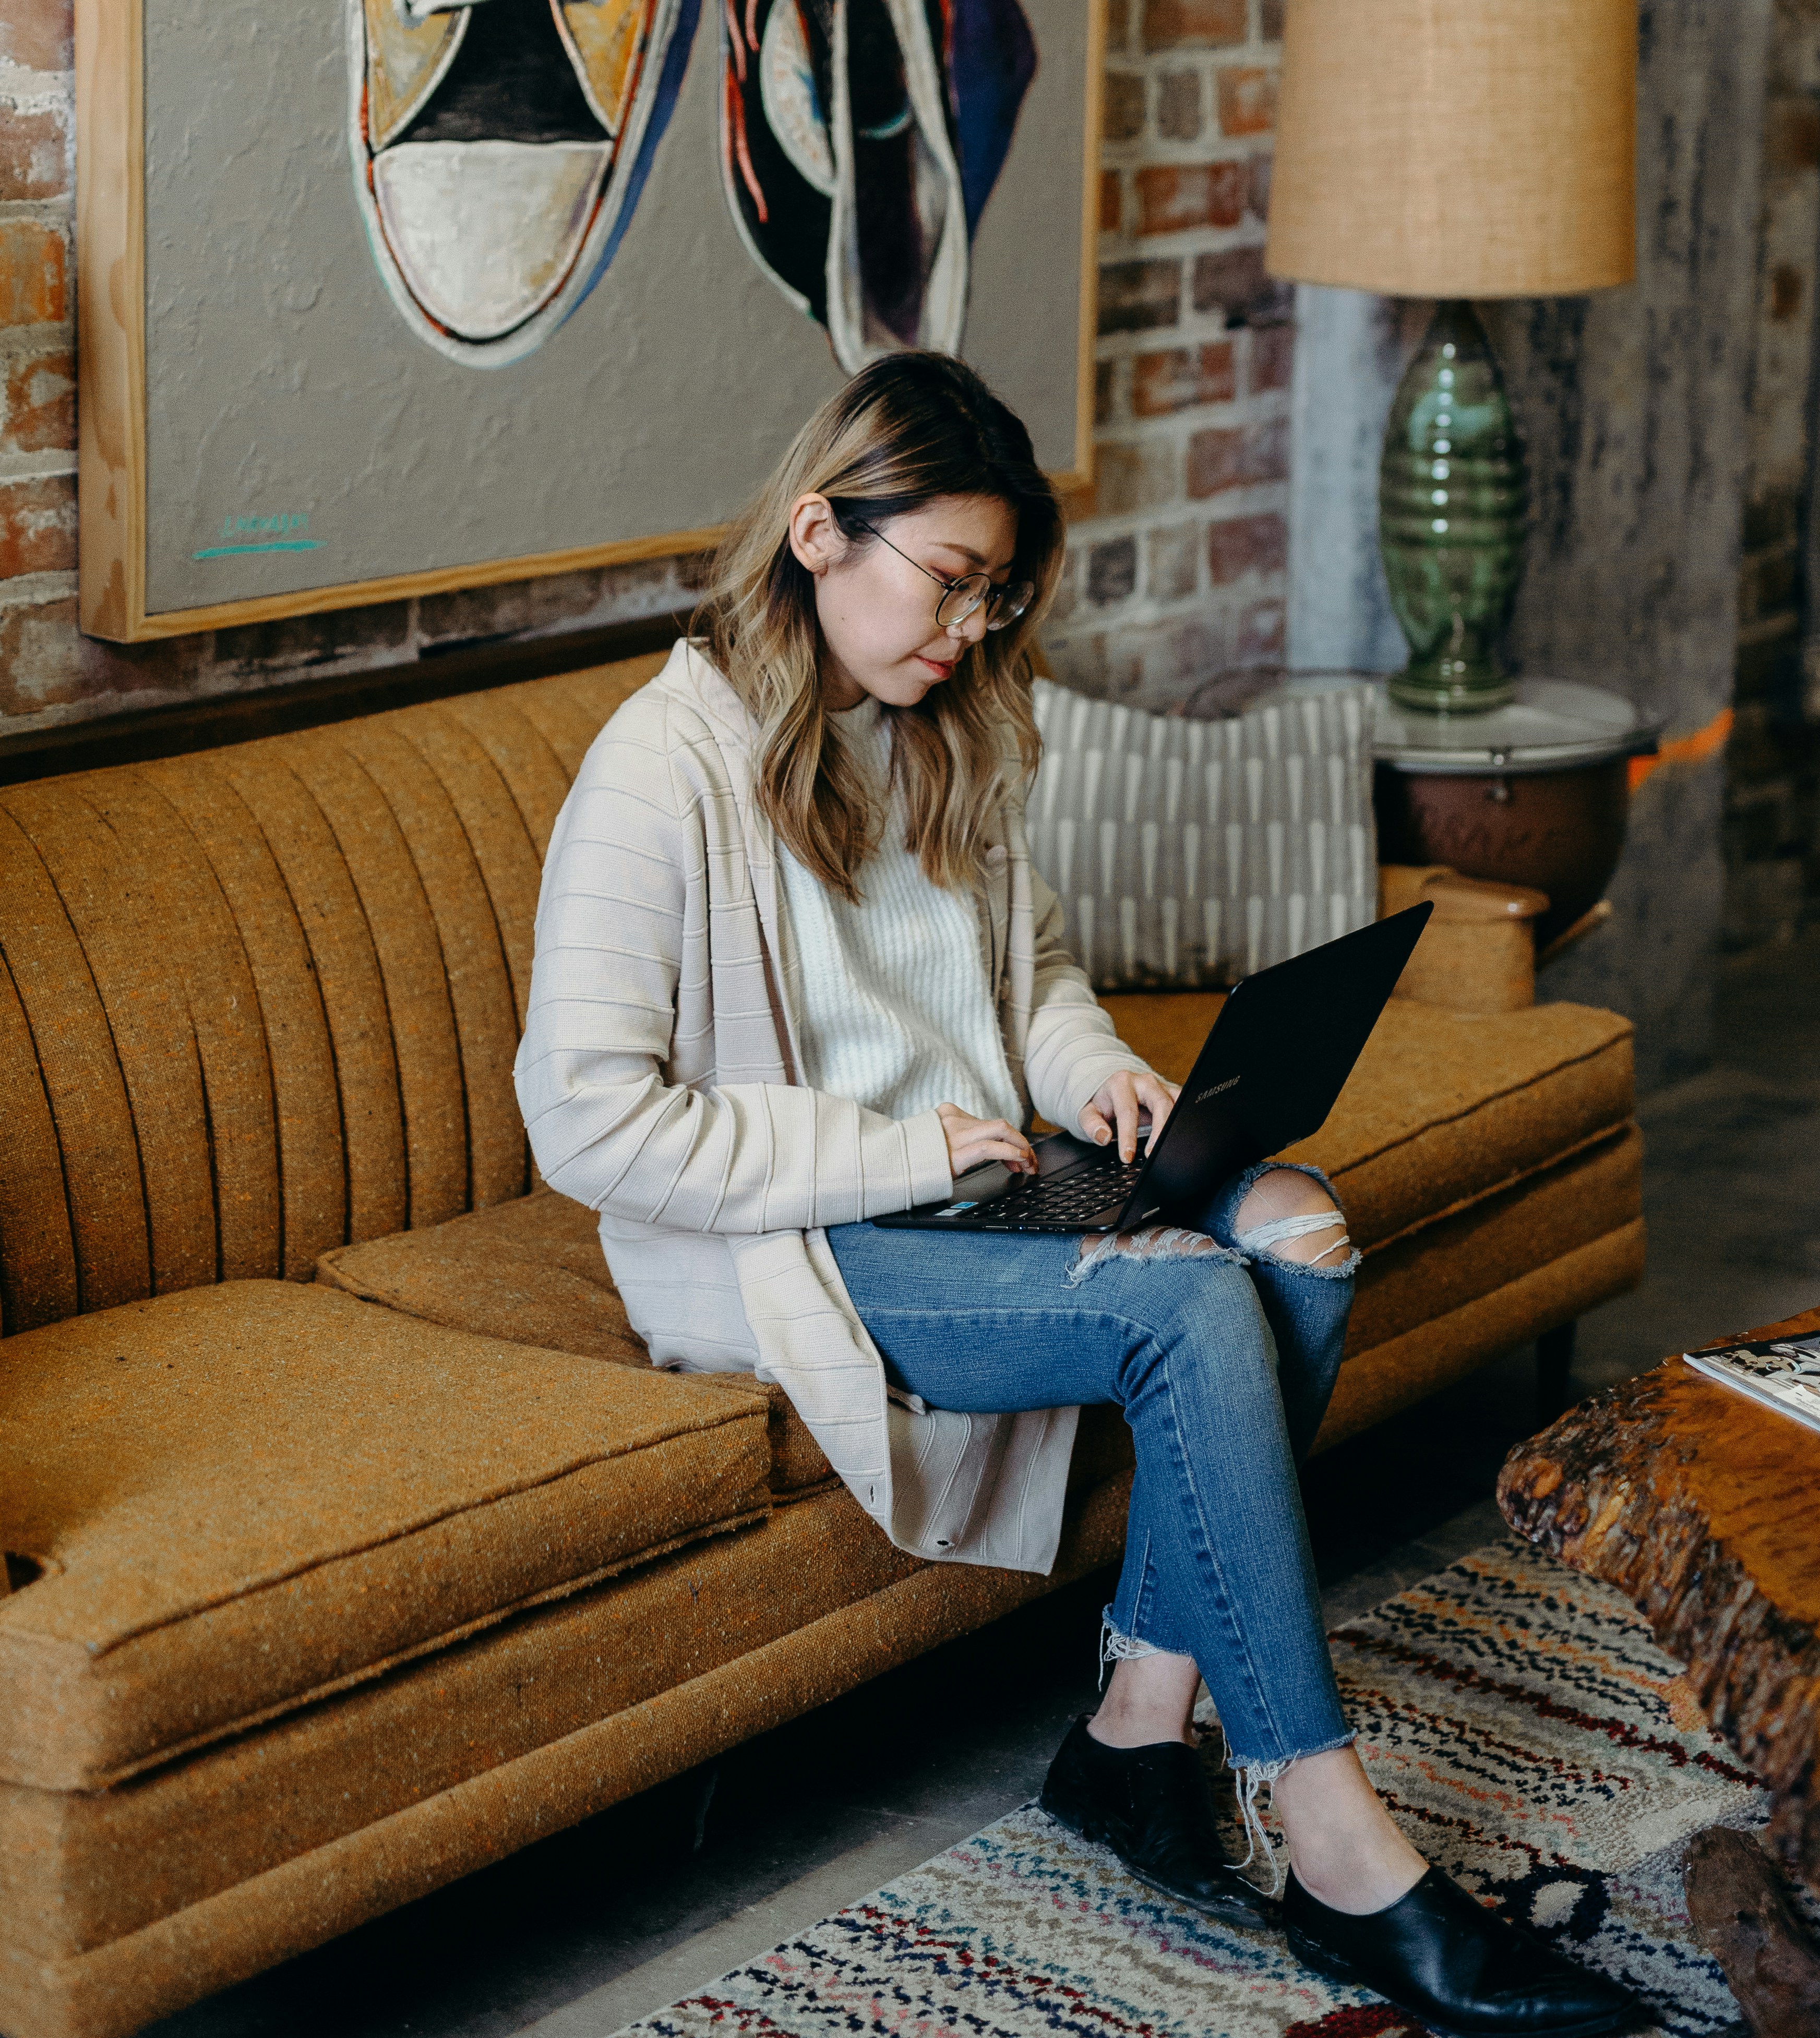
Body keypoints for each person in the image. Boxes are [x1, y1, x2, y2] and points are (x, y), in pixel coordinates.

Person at [517, 354, 1634, 2038]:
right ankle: (1333, 1836)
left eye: (992, 595)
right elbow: (584, 1123)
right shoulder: (660, 766)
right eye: (948, 583)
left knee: (1296, 1229)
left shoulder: (944, 727)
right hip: (805, 1242)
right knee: (1189, 1291)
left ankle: (1131, 1733)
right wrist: (913, 1151)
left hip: (983, 1181)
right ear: (818, 529)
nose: (966, 630)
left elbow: (1026, 972)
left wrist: (1086, 1071)